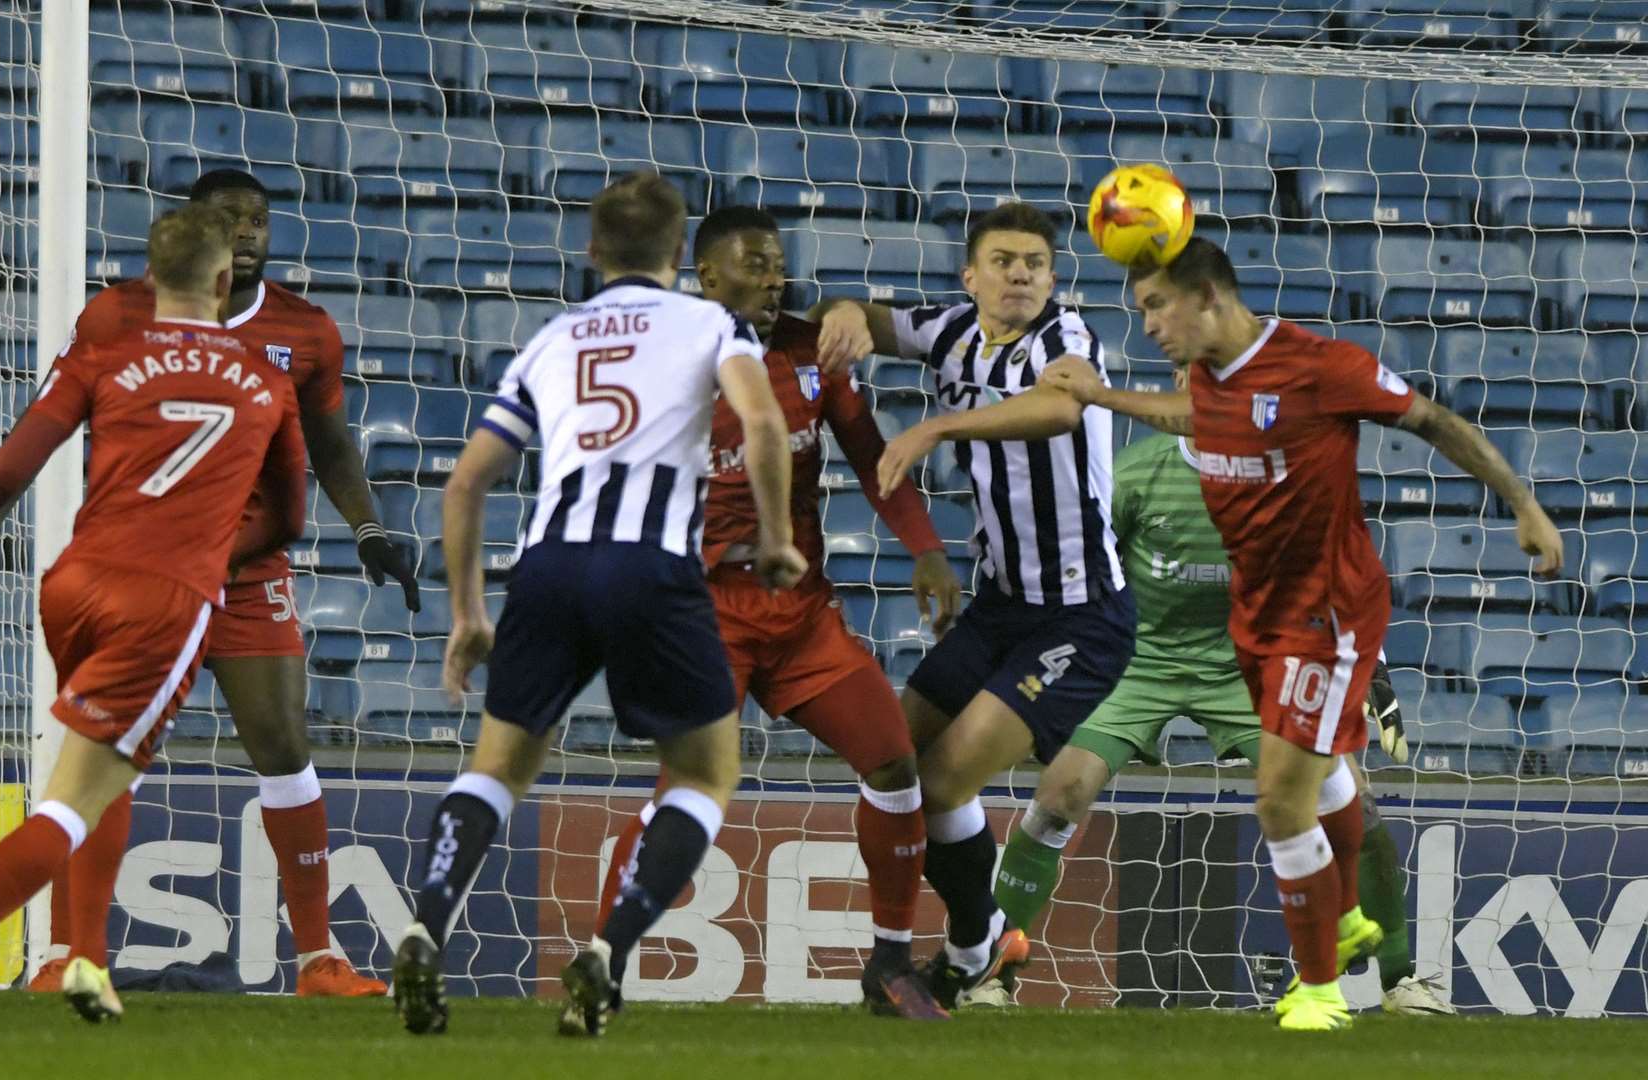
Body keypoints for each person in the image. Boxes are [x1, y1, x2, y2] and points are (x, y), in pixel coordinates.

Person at [1039, 237, 1563, 1031]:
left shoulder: (1321, 366)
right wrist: (1103, 397)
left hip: (1328, 614)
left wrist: (1523, 505)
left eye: (1155, 305)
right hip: (1255, 616)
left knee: (1281, 802)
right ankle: (1346, 916)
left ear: (1208, 295)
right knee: (1327, 785)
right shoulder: (1213, 381)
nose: (1145, 324)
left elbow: (1431, 420)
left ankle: (1321, 989)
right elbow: (1191, 411)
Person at [0, 169, 409, 998]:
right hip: (143, 566)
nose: (249, 230)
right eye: (231, 217)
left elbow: (331, 445)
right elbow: (48, 423)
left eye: (261, 218)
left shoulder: (305, 332)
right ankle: (66, 953)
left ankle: (318, 959)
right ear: (196, 231)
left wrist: (369, 527)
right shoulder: (118, 315)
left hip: (245, 570)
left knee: (284, 749)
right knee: (102, 757)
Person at [390, 173, 800, 1039]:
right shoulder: (710, 322)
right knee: (703, 772)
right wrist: (773, 536)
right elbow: (761, 424)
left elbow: (466, 481)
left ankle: (427, 924)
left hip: (546, 566)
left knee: (498, 767)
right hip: (650, 567)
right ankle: (607, 953)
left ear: (592, 250)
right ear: (682, 253)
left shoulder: (552, 339)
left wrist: (468, 613)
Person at [0, 204, 307, 1025]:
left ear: (148, 282)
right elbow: (286, 519)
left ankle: (85, 961)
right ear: (225, 282)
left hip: (72, 584)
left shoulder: (103, 356)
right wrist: (210, 542)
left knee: (105, 775)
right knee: (71, 802)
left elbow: (12, 464)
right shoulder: (268, 381)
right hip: (163, 600)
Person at [585, 207, 962, 1020]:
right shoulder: (661, 363)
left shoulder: (806, 353)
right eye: (754, 264)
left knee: (895, 762)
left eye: (779, 263)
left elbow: (870, 457)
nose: (773, 276)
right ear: (706, 275)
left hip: (799, 613)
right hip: (702, 616)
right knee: (689, 789)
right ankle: (606, 957)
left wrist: (926, 548)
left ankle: (890, 965)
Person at [983, 363, 1452, 1016]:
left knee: (1355, 802)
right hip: (1138, 662)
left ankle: (1400, 980)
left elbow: (1329, 574)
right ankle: (991, 971)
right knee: (1062, 790)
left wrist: (1371, 674)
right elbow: (1080, 574)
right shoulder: (1136, 471)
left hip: (1248, 667)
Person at [808, 202, 1136, 1010]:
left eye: (1034, 262)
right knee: (892, 761)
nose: (1019, 273)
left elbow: (1061, 410)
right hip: (997, 609)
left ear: (1054, 278)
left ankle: (970, 943)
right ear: (971, 276)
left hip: (1080, 617)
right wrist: (845, 315)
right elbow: (855, 320)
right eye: (1003, 260)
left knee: (947, 780)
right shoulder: (949, 329)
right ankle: (983, 940)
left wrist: (933, 430)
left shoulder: (1068, 343)